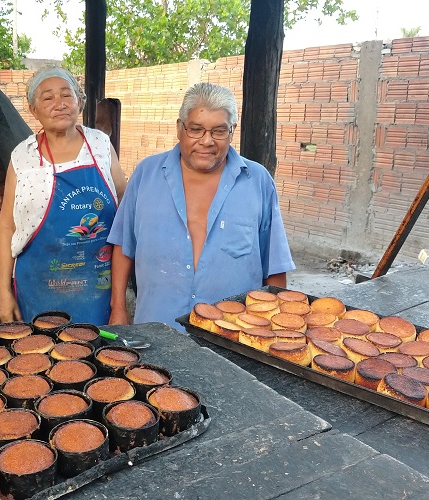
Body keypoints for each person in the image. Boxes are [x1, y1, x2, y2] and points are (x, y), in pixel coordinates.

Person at [107, 82, 294, 328]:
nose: (207, 141)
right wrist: (118, 308)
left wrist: (270, 328)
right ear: (179, 128)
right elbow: (123, 245)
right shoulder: (146, 174)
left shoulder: (257, 181)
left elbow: (275, 266)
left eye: (219, 131)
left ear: (232, 131)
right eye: (196, 129)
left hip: (232, 338)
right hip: (156, 331)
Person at [0, 67, 127, 325]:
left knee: (100, 358)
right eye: (47, 98)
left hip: (97, 289)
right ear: (33, 110)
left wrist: (120, 303)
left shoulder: (100, 146)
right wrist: (3, 292)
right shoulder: (23, 157)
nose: (59, 104)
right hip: (38, 288)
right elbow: (6, 226)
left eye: (67, 95)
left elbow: (125, 215)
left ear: (80, 102)